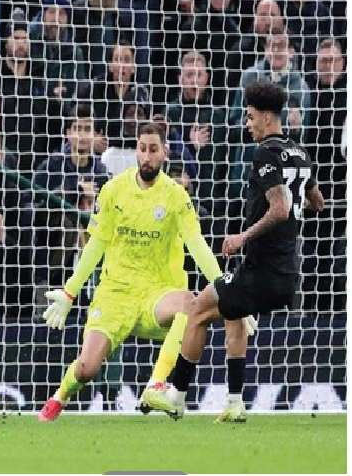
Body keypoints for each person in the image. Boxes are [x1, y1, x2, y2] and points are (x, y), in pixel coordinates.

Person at [146, 82, 324, 422]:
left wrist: (243, 236)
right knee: (233, 312)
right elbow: (318, 203)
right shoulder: (300, 153)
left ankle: (177, 396)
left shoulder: (266, 153)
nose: (248, 123)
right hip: (288, 273)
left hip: (262, 271)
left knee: (197, 309)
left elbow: (280, 208)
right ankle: (234, 402)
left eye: (251, 117)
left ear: (267, 118)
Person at [37, 123, 230, 422]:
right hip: (115, 295)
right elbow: (96, 245)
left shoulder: (176, 196)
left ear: (165, 153)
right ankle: (58, 398)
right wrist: (70, 291)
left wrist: (223, 289)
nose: (147, 157)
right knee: (87, 369)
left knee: (189, 303)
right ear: (136, 151)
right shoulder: (114, 190)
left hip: (156, 294)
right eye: (142, 149)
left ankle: (156, 385)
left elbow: (197, 245)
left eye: (153, 150)